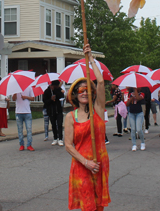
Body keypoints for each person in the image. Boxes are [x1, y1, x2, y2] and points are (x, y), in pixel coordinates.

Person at [64, 44, 110, 211]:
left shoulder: (97, 109)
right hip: (82, 165)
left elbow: (100, 81)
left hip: (100, 163)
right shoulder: (70, 117)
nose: (84, 92)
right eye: (80, 90)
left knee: (99, 205)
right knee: (88, 205)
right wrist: (86, 162)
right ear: (75, 94)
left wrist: (91, 59)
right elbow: (68, 145)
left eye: (87, 90)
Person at [12, 85, 35, 151]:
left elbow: (33, 98)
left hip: (27, 112)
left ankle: (29, 144)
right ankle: (21, 144)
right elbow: (13, 99)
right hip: (18, 112)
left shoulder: (29, 87)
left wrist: (26, 97)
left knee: (29, 129)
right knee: (20, 130)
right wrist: (15, 92)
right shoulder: (15, 88)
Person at [43, 80, 65, 146]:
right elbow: (45, 101)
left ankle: (60, 139)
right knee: (53, 125)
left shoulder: (58, 89)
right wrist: (51, 99)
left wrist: (56, 93)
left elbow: (61, 96)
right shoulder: (47, 91)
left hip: (58, 110)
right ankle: (55, 138)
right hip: (51, 111)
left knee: (59, 124)